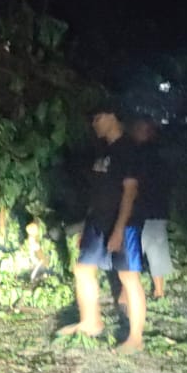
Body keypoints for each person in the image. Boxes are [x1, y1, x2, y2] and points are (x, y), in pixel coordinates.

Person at [57, 106, 149, 353]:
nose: (94, 123)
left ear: (113, 117)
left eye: (98, 118)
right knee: (83, 269)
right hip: (97, 221)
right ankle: (91, 322)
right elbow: (98, 191)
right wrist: (88, 224)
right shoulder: (103, 151)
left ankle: (136, 338)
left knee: (128, 277)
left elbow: (130, 192)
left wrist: (119, 229)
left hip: (124, 223)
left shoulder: (128, 150)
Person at [129, 116, 173, 300]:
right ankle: (158, 290)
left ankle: (142, 289)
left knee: (143, 248)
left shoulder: (141, 154)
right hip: (157, 208)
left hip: (146, 208)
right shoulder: (159, 154)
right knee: (156, 248)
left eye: (138, 129)